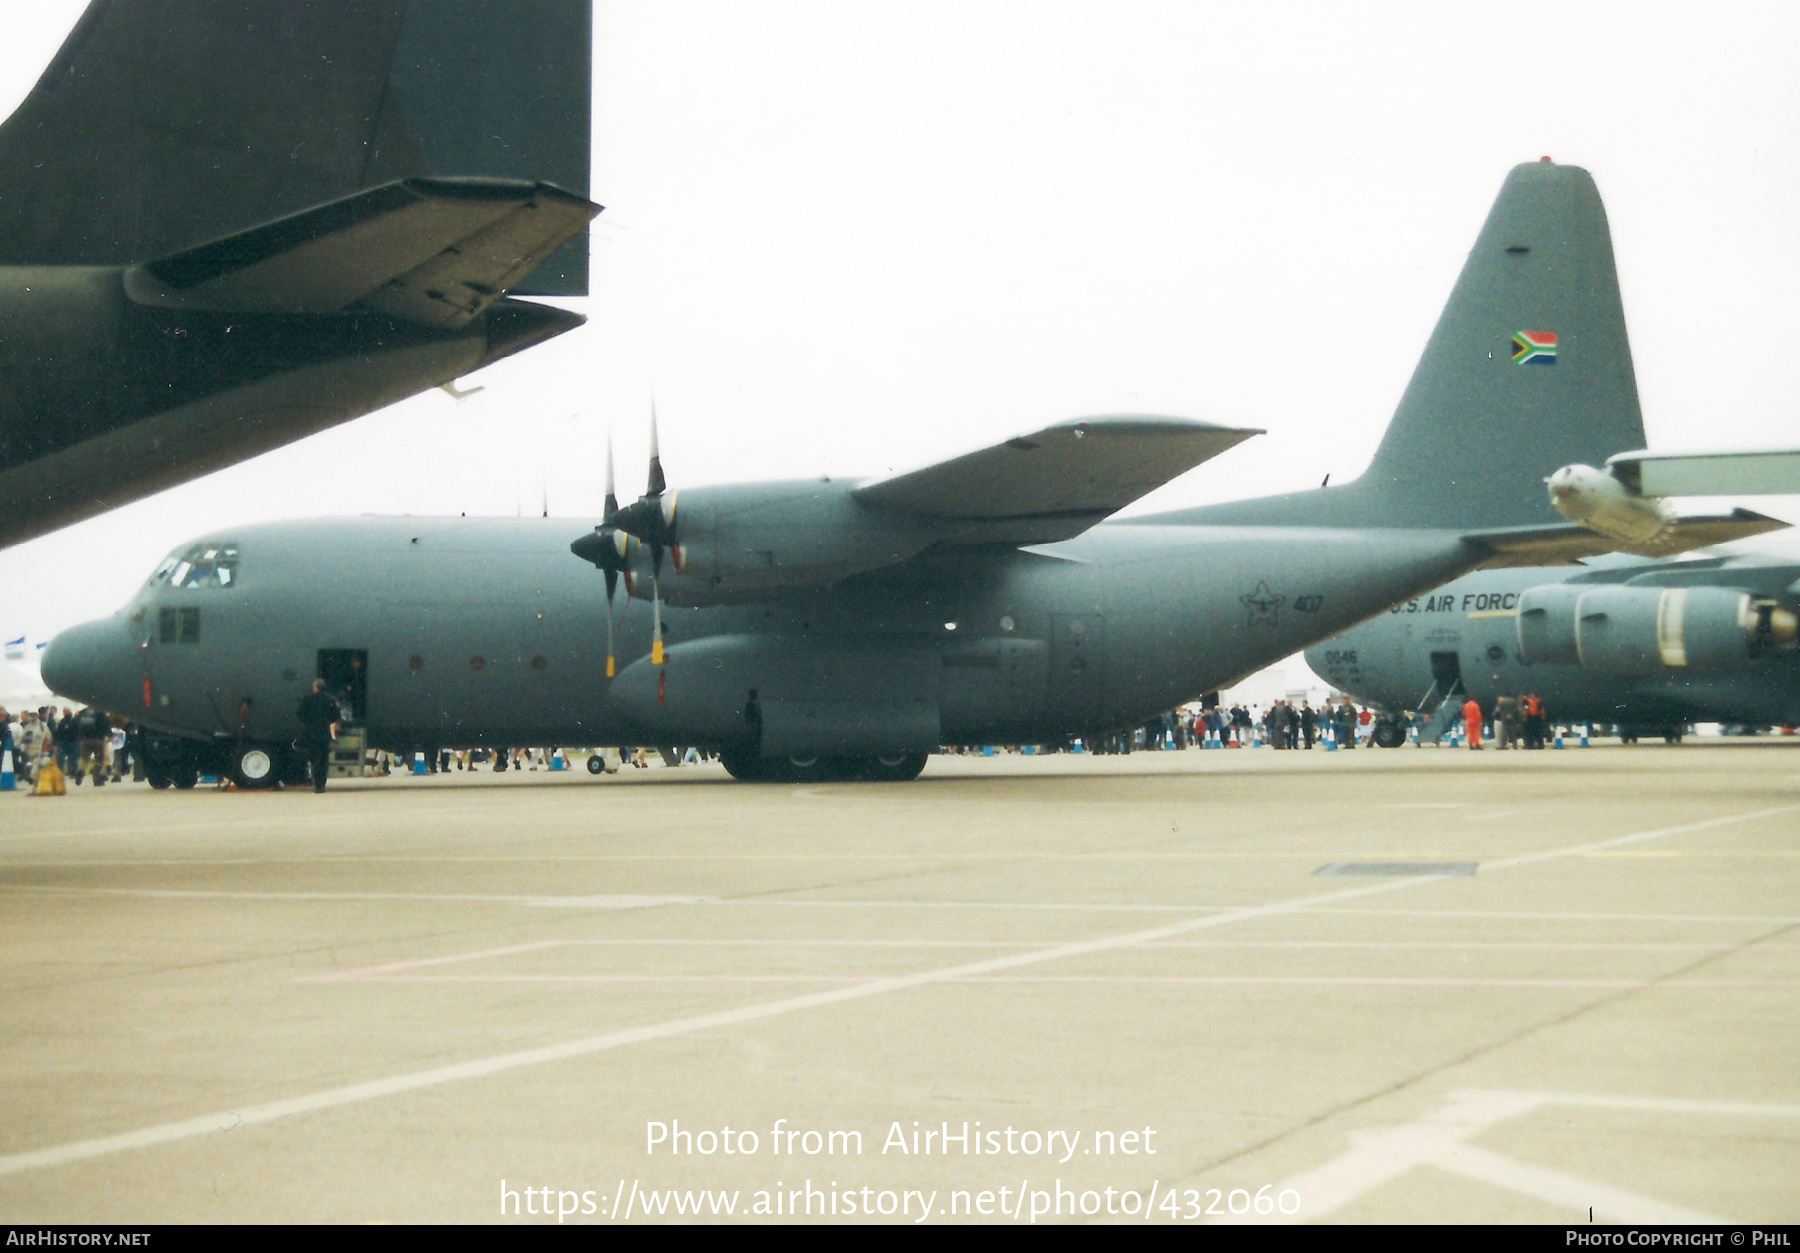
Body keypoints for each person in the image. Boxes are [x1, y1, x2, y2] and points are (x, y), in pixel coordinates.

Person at [295, 679, 342, 792]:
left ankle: (317, 784)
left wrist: (307, 722)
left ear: (315, 687)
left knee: (314, 759)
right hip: (324, 733)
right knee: (323, 760)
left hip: (311, 733)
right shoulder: (330, 699)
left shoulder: (307, 699)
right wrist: (328, 721)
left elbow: (299, 713)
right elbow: (336, 715)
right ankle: (322, 784)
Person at [75, 706, 110, 785]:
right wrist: (108, 735)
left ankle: (80, 772)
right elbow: (105, 725)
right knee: (99, 759)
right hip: (98, 740)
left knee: (84, 758)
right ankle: (97, 779)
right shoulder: (100, 712)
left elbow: (77, 725)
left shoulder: (83, 712)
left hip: (84, 740)